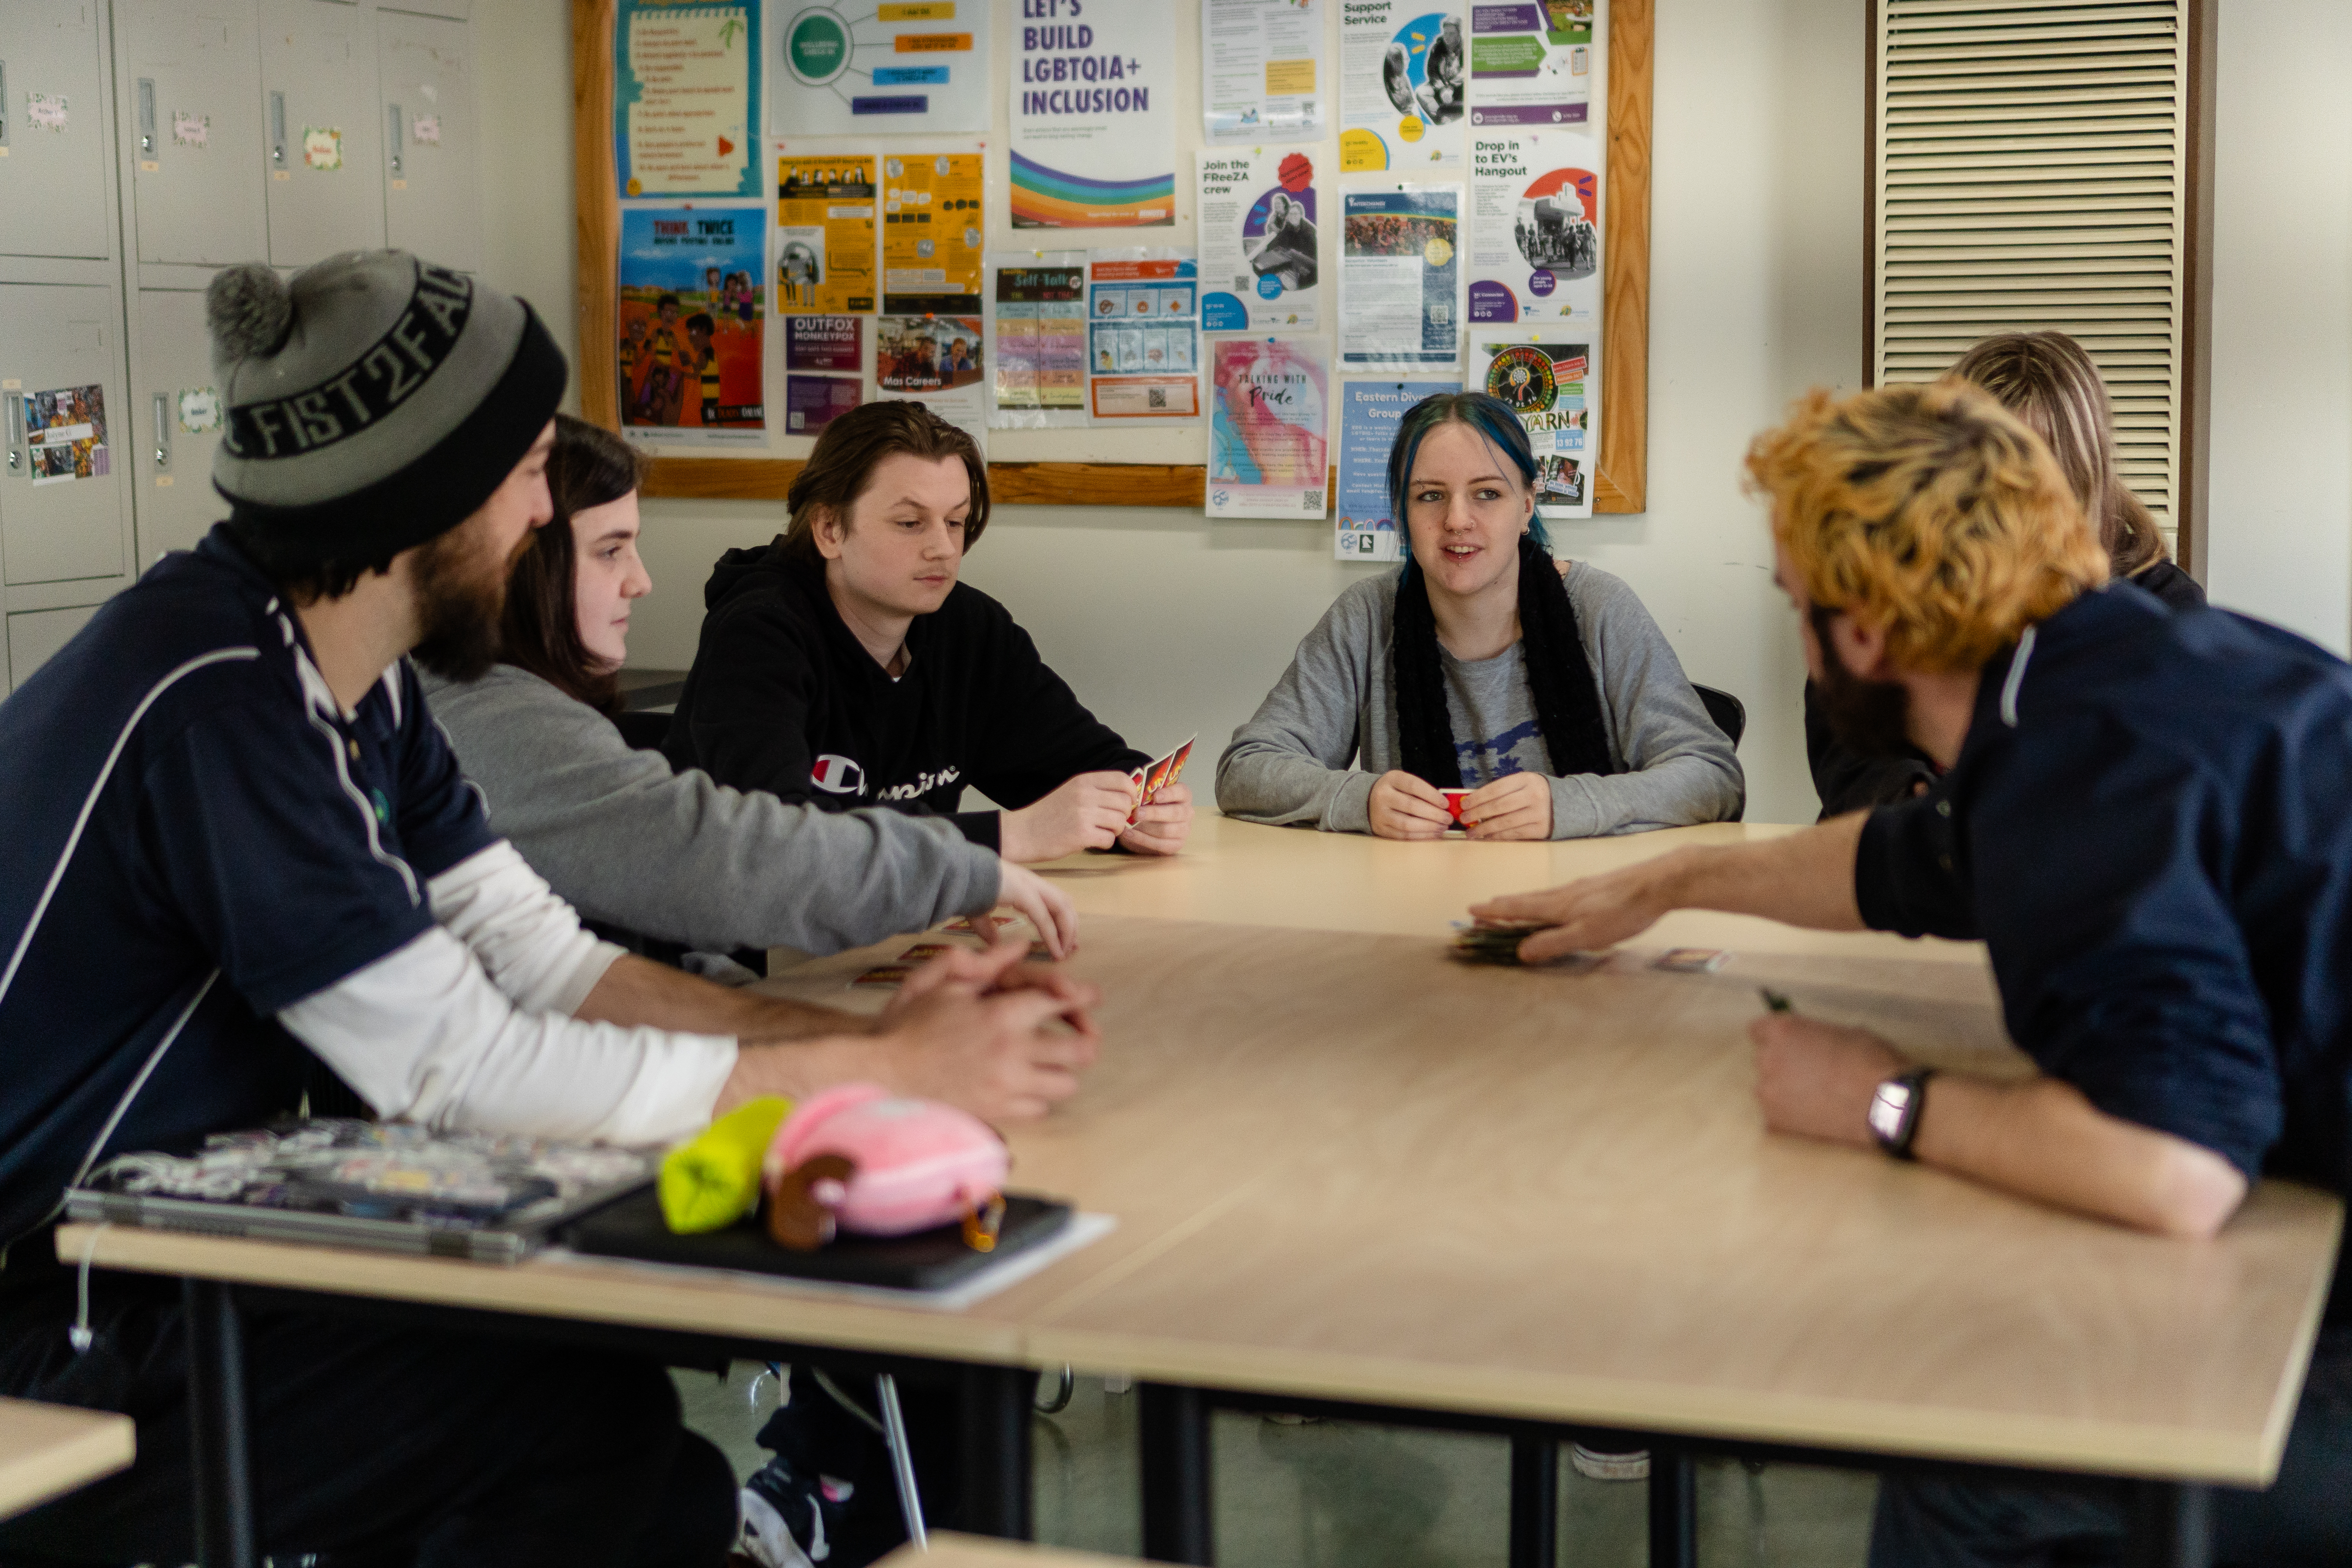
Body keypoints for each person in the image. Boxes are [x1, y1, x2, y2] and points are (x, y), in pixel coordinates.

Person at [0, 252, 1100, 1566]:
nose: (543, 516)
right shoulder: (229, 703)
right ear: (426, 493)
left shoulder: (361, 679)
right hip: (48, 1322)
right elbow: (460, 1066)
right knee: (592, 1449)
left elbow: (538, 959)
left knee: (596, 1417)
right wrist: (868, 1070)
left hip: (136, 1252)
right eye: (528, 474)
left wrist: (836, 1050)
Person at [1472, 379, 2352, 1567]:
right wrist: (1665, 883)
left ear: (1866, 632)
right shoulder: (2109, 666)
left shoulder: (2079, 767)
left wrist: (1880, 1099)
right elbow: (1912, 859)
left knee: (1974, 1471)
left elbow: (2174, 1169)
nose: (1795, 638)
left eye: (1795, 606)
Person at [421, 414, 1078, 965]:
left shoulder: (533, 714)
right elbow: (742, 859)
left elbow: (585, 981)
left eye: (956, 523)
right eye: (611, 550)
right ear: (514, 558)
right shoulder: (498, 734)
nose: (642, 582)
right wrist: (976, 857)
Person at [664, 399, 1193, 864]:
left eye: (956, 522)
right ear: (830, 530)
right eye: (910, 523)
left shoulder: (970, 628)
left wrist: (1140, 809)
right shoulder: (758, 635)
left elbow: (1089, 767)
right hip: (745, 956)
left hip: (900, 935)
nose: (943, 548)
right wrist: (1009, 835)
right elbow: (777, 842)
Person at [1216, 390, 1742, 840]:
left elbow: (1713, 776)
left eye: (1487, 494)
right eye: (1430, 497)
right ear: (1402, 513)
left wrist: (1571, 806)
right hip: (1417, 911)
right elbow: (1246, 769)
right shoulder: (1366, 617)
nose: (1457, 520)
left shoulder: (1599, 608)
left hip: (1583, 907)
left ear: (1528, 506)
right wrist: (1362, 798)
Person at [1808, 331, 2205, 816]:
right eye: (1988, 460)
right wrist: (1931, 816)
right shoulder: (1894, 592)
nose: (2011, 489)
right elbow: (1850, 758)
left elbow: (2156, 780)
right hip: (1916, 860)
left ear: (2084, 470)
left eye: (2036, 461)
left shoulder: (2163, 607)